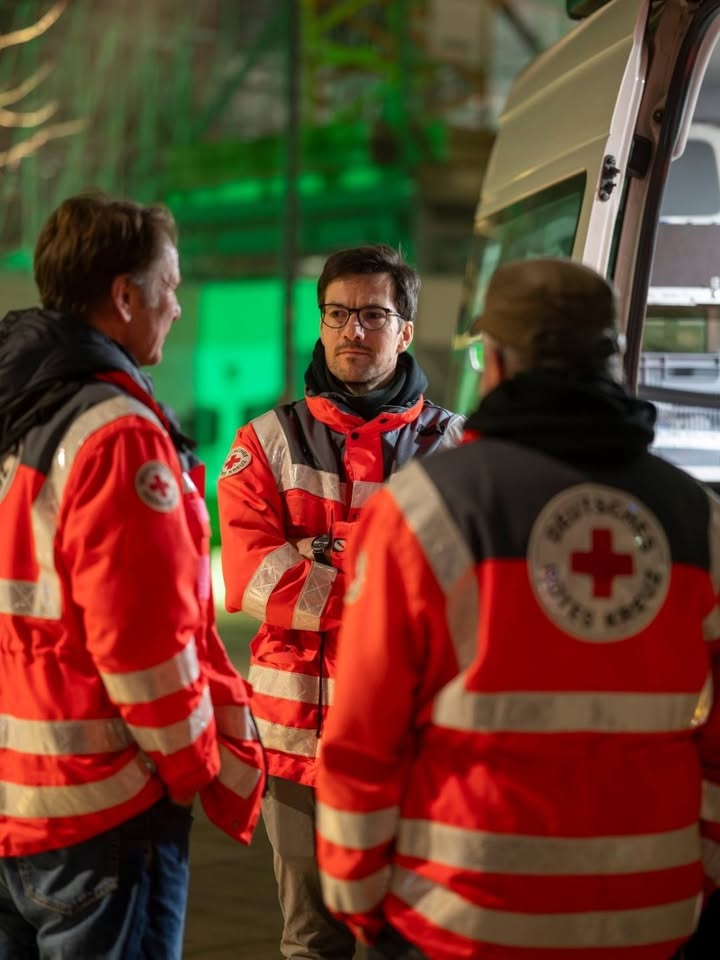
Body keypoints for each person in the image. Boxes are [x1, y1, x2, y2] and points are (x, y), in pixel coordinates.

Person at [315, 257, 720, 960]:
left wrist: (358, 899)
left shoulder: (424, 509)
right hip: (651, 918)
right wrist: (696, 875)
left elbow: (364, 738)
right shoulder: (699, 520)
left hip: (464, 915)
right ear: (615, 356)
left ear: (494, 361)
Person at [0, 193, 266, 960]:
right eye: (170, 285)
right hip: (98, 814)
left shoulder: (16, 411)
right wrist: (190, 770)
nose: (177, 307)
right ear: (124, 296)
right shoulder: (117, 435)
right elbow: (145, 643)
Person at [218, 244, 465, 959]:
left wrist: (323, 553)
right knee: (310, 942)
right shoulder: (263, 444)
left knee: (408, 938)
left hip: (414, 744)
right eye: (337, 314)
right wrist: (388, 568)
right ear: (320, 324)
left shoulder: (453, 447)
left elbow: (457, 589)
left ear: (406, 329)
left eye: (373, 314)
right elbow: (256, 583)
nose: (353, 330)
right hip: (296, 744)